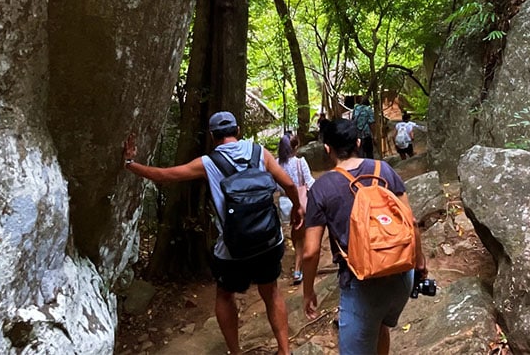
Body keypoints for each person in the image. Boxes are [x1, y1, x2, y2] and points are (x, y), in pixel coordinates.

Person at [123, 111, 302, 355]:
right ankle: (285, 350)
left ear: (212, 136)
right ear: (237, 131)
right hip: (269, 240)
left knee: (225, 295)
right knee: (271, 291)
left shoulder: (208, 163)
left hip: (233, 249)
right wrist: (297, 210)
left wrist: (130, 164)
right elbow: (290, 184)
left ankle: (236, 352)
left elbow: (165, 176)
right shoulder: (260, 152)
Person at [302, 119, 425, 355]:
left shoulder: (322, 188)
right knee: (379, 326)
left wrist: (308, 291)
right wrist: (419, 263)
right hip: (401, 274)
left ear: (327, 148)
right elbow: (410, 222)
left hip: (362, 283)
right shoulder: (384, 169)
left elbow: (310, 252)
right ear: (358, 142)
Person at [277, 133, 314, 284]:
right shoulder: (300, 162)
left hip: (285, 204)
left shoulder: (276, 163)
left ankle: (298, 268)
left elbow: (274, 185)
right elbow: (309, 182)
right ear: (295, 147)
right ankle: (299, 270)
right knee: (301, 238)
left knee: (295, 235)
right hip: (300, 203)